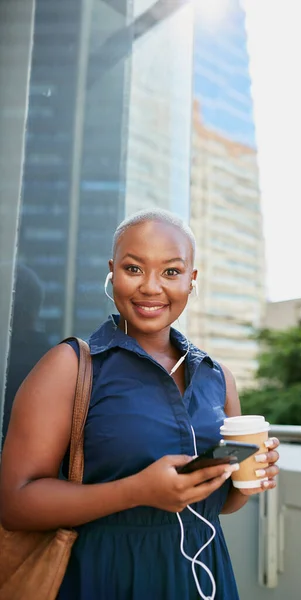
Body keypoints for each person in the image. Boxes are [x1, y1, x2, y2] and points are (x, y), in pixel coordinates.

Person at [0, 209, 280, 600]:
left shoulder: (218, 377)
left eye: (170, 272)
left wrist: (249, 480)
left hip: (205, 578)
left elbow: (223, 504)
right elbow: (14, 503)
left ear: (191, 280)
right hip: (106, 577)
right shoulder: (70, 366)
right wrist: (137, 491)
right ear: (113, 272)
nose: (151, 287)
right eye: (134, 269)